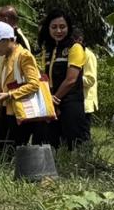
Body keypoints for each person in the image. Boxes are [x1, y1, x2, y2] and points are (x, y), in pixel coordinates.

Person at [0, 20, 48, 151]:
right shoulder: (6, 58)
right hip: (8, 110)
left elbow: (34, 84)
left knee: (11, 149)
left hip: (20, 110)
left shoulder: (24, 56)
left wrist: (9, 94)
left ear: (7, 40)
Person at [37, 9, 90, 149]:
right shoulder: (47, 50)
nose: (58, 31)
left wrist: (54, 99)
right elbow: (43, 76)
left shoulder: (75, 48)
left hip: (70, 102)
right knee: (49, 144)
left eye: (62, 27)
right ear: (48, 28)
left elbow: (71, 79)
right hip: (51, 102)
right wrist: (49, 100)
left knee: (76, 144)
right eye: (54, 27)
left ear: (69, 27)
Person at [74, 29, 100, 125]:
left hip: (85, 103)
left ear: (80, 41)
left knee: (83, 135)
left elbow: (90, 80)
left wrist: (72, 78)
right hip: (74, 102)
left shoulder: (88, 55)